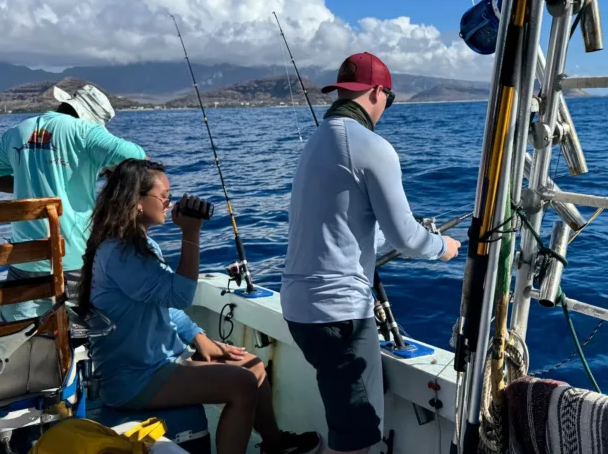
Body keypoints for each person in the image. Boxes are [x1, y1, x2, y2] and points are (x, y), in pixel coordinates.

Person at [281, 52, 462, 454]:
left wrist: (409, 237)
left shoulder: (317, 141)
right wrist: (441, 247)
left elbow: (349, 231)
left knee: (352, 419)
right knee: (357, 440)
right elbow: (406, 238)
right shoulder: (371, 145)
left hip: (300, 308)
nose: (385, 109)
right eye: (388, 100)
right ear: (378, 92)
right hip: (338, 315)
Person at [81, 159, 321, 454]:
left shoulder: (138, 247)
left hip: (157, 363)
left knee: (255, 368)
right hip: (134, 379)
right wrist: (191, 232)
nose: (169, 202)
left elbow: (165, 306)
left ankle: (274, 444)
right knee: (242, 385)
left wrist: (199, 337)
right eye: (163, 196)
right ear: (137, 201)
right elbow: (180, 296)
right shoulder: (121, 253)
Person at [0, 83, 146, 321]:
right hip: (73, 258)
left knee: (21, 331)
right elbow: (139, 157)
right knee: (79, 329)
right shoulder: (85, 131)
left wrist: (25, 184)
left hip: (25, 260)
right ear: (89, 117)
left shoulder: (17, 131)